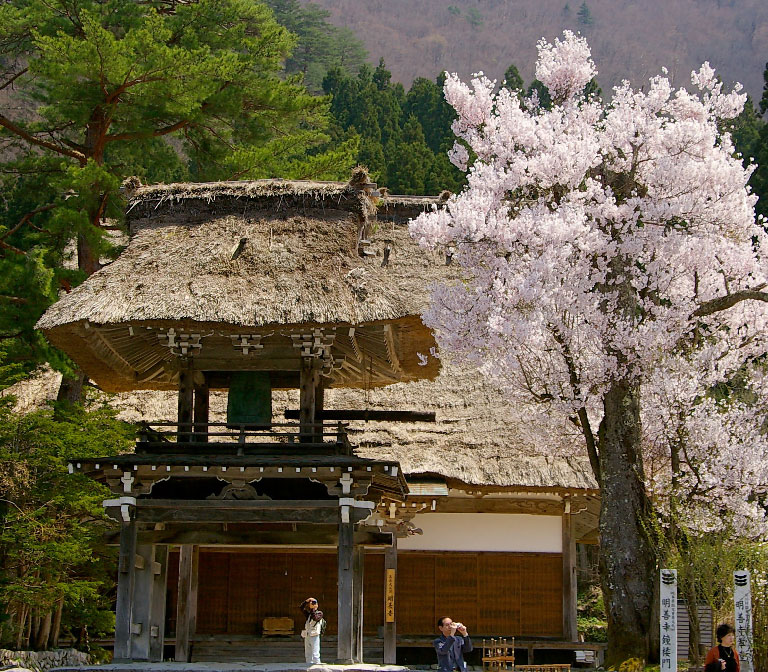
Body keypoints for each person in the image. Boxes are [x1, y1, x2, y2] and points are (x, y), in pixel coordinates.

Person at [300, 597, 324, 664]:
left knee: (315, 653)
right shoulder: (309, 615)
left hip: (314, 635)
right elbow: (301, 608)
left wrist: (313, 609)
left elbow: (315, 618)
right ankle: (308, 664)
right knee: (308, 653)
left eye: (314, 603)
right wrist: (306, 601)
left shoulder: (320, 613)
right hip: (307, 635)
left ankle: (317, 666)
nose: (312, 604)